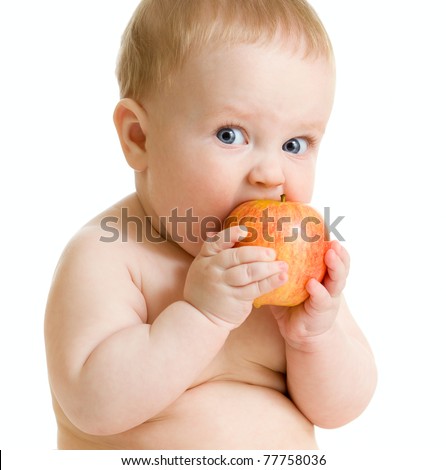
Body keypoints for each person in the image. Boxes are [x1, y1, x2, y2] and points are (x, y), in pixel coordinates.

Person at [45, 0, 377, 449]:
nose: (271, 174)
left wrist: (314, 337)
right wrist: (203, 317)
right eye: (230, 135)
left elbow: (342, 409)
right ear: (139, 138)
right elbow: (91, 404)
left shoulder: (289, 278)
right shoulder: (110, 255)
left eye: (295, 143)